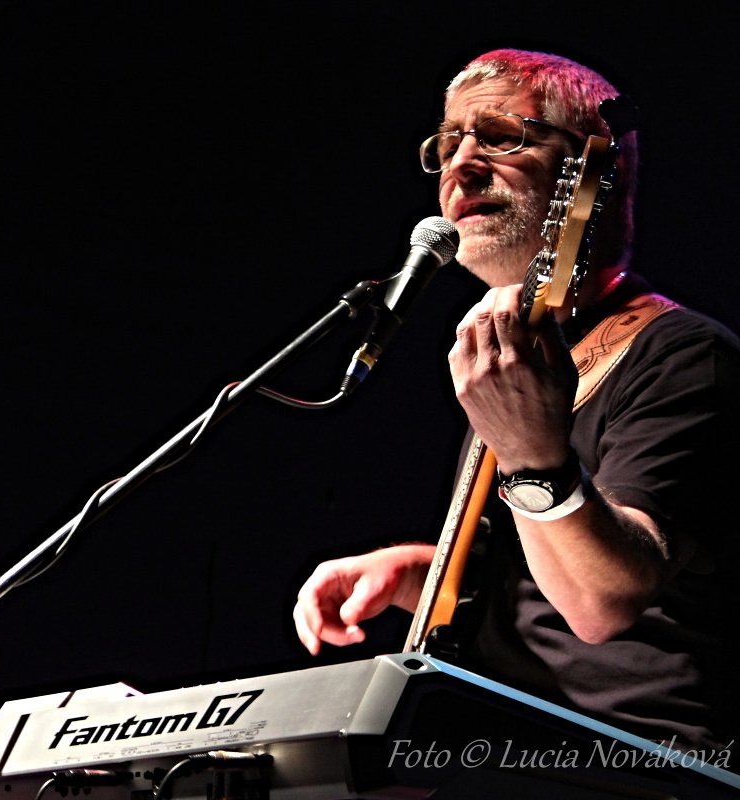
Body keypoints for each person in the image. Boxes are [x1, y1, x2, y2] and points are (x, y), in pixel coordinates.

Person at [293, 48, 740, 765]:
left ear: (591, 173)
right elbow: (544, 569)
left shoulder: (684, 354)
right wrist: (419, 570)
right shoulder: (524, 351)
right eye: (447, 145)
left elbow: (601, 601)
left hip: (637, 762)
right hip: (500, 750)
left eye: (501, 137)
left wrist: (534, 457)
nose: (461, 167)